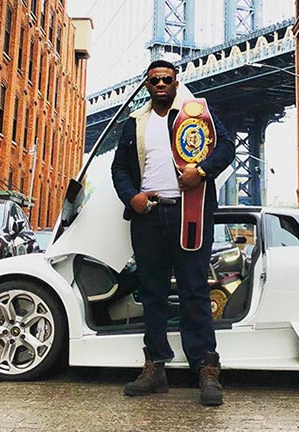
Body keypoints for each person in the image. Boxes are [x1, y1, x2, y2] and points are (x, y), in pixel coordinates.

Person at [111, 59, 235, 406]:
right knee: (152, 293)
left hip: (189, 214)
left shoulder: (197, 115)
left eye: (167, 79)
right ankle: (155, 369)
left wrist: (203, 172)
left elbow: (226, 147)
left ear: (176, 83)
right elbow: (119, 168)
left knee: (195, 290)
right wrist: (131, 197)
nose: (161, 84)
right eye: (154, 80)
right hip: (149, 216)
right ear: (147, 85)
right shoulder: (135, 122)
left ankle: (206, 369)